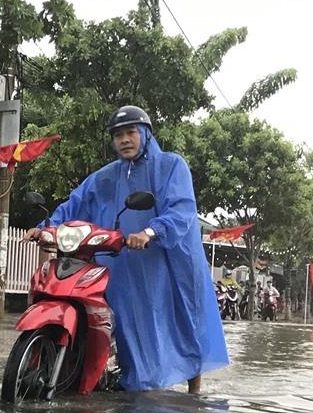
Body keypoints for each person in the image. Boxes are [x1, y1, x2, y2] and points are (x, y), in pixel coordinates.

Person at [24, 105, 229, 393]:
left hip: (169, 262)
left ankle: (193, 394)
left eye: (131, 132)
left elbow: (182, 210)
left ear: (145, 133)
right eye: (118, 135)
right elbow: (77, 202)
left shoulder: (171, 166)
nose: (124, 140)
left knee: (182, 323)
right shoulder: (106, 177)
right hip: (124, 263)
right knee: (131, 324)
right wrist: (47, 225)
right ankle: (134, 385)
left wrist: (150, 231)